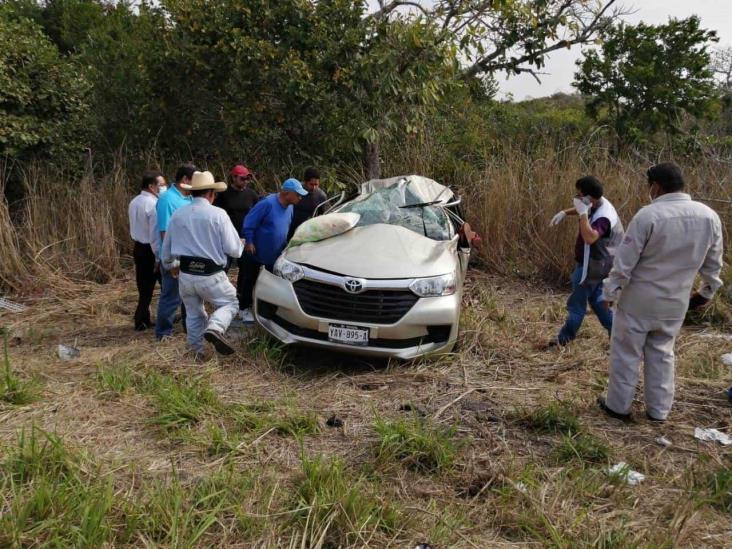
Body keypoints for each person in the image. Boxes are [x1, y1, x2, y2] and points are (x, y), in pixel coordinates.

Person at [598, 162, 723, 422]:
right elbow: (714, 264)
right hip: (676, 301)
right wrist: (707, 292)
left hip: (639, 300)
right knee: (663, 353)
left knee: (626, 354)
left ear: (655, 187)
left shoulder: (648, 216)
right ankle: (658, 411)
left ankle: (618, 407)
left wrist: (610, 292)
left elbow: (624, 262)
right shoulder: (709, 216)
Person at [161, 171, 244, 356]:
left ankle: (195, 352)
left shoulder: (178, 215)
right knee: (230, 303)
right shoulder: (218, 215)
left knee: (193, 314)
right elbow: (234, 250)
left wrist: (171, 265)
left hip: (186, 275)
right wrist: (241, 245)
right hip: (211, 274)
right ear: (211, 194)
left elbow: (166, 252)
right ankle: (216, 327)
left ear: (192, 193)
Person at [547, 176, 623, 346]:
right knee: (598, 300)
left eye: (579, 195)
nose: (577, 198)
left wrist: (582, 213)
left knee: (576, 304)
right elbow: (585, 208)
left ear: (589, 198)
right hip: (599, 263)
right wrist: (566, 212)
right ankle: (618, 334)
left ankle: (564, 339)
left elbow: (590, 237)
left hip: (593, 266)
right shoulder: (599, 202)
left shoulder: (604, 217)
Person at [238, 178, 308, 323]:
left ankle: (267, 310)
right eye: (298, 194)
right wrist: (249, 241)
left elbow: (285, 227)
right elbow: (249, 223)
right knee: (249, 279)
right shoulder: (267, 204)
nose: (300, 198)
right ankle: (243, 308)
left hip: (275, 252)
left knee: (274, 281)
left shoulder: (290, 206)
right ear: (287, 193)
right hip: (255, 250)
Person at [154, 163, 195, 339]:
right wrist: (172, 262)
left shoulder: (190, 198)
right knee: (171, 297)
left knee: (190, 296)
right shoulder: (167, 200)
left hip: (189, 254)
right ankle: (164, 333)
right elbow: (165, 232)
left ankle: (189, 328)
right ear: (185, 180)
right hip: (175, 256)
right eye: (194, 180)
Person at [214, 164, 260, 312]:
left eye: (247, 179)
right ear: (233, 177)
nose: (245, 181)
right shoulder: (223, 195)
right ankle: (220, 301)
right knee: (222, 270)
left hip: (245, 239)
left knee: (246, 271)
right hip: (225, 239)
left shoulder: (252, 195)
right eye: (242, 178)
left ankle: (241, 301)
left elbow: (257, 215)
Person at [128, 170, 164, 330]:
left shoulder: (134, 201)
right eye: (161, 185)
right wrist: (158, 257)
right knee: (165, 286)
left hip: (138, 247)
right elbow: (155, 234)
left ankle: (142, 319)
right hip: (150, 249)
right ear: (151, 186)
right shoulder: (153, 205)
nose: (163, 188)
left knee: (144, 287)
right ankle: (158, 319)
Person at [288, 167, 327, 238]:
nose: (314, 187)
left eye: (316, 185)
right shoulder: (294, 191)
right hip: (288, 228)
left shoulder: (321, 196)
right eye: (311, 184)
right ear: (305, 182)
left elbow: (321, 217)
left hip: (306, 231)